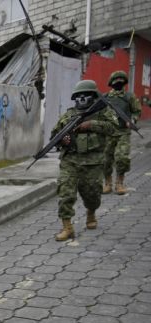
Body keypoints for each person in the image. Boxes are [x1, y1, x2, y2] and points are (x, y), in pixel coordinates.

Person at [50, 80, 118, 240]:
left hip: (93, 162)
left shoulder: (103, 112)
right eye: (78, 96)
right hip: (70, 161)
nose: (81, 98)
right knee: (65, 193)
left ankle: (91, 213)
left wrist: (91, 124)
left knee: (92, 195)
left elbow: (113, 128)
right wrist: (63, 140)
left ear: (93, 96)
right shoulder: (68, 115)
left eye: (85, 95)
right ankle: (67, 227)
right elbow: (55, 136)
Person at [103, 70, 141, 195]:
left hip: (123, 132)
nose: (118, 83)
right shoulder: (106, 97)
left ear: (124, 82)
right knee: (106, 160)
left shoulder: (129, 96)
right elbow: (99, 114)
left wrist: (132, 120)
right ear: (111, 83)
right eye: (116, 81)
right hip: (108, 133)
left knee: (122, 158)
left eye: (121, 81)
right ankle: (108, 183)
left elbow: (136, 111)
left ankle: (119, 183)